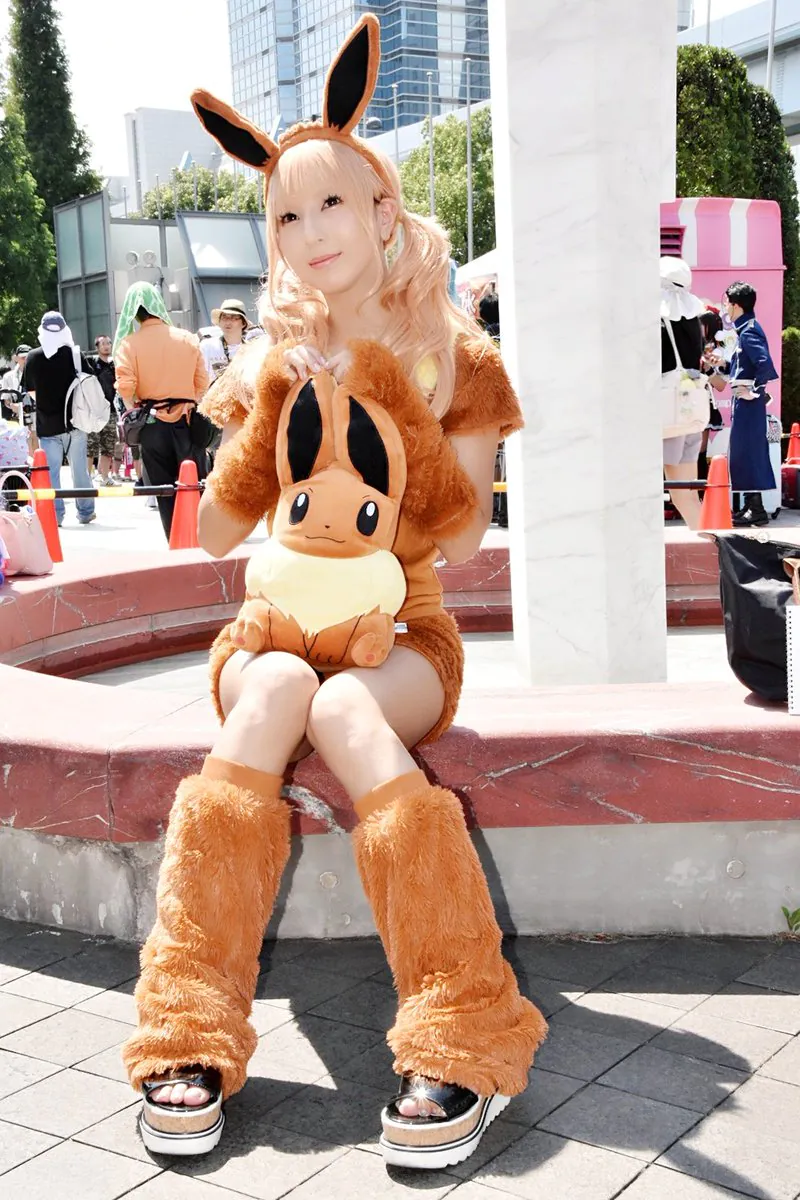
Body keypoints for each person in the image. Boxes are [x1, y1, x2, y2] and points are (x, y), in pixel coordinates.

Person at [121, 13, 546, 1171]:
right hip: (274, 623)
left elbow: (462, 539)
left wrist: (385, 396)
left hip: (401, 629)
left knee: (345, 707)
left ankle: (463, 1026)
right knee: (269, 695)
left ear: (380, 209)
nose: (309, 234)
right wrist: (269, 401)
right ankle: (185, 1025)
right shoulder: (267, 355)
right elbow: (216, 530)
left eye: (329, 204)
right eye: (284, 215)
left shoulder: (458, 356)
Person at [114, 283, 210, 540]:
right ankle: (200, 540)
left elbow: (125, 388)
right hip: (187, 423)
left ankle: (175, 542)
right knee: (194, 485)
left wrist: (136, 408)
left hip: (152, 425)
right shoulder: (188, 338)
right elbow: (202, 384)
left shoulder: (129, 344)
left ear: (133, 313)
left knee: (164, 491)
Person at [22, 313, 96, 526]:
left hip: (47, 424)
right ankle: (86, 511)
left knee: (51, 473)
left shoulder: (33, 357)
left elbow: (31, 392)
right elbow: (89, 382)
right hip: (75, 423)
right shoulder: (75, 355)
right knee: (79, 471)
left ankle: (56, 515)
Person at [719, 281, 778, 528]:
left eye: (727, 303)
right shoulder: (745, 329)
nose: (725, 308)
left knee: (749, 452)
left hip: (748, 404)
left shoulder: (748, 331)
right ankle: (750, 506)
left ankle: (756, 509)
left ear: (736, 305)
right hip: (743, 402)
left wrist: (754, 392)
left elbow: (764, 364)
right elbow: (744, 366)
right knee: (743, 453)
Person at [660, 257, 706, 530]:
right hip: (691, 410)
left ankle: (714, 547)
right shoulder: (692, 320)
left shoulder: (662, 322)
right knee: (687, 494)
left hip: (668, 414)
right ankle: (712, 545)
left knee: (679, 494)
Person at [199, 297, 263, 385]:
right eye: (224, 317)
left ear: (243, 323)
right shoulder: (207, 346)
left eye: (234, 318)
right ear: (219, 321)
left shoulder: (252, 350)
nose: (228, 322)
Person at [86, 334, 120, 486]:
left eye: (108, 343)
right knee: (91, 446)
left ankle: (105, 477)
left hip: (110, 410)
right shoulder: (92, 362)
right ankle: (86, 478)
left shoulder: (114, 365)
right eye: (103, 344)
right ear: (97, 347)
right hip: (94, 410)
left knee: (108, 446)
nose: (106, 346)